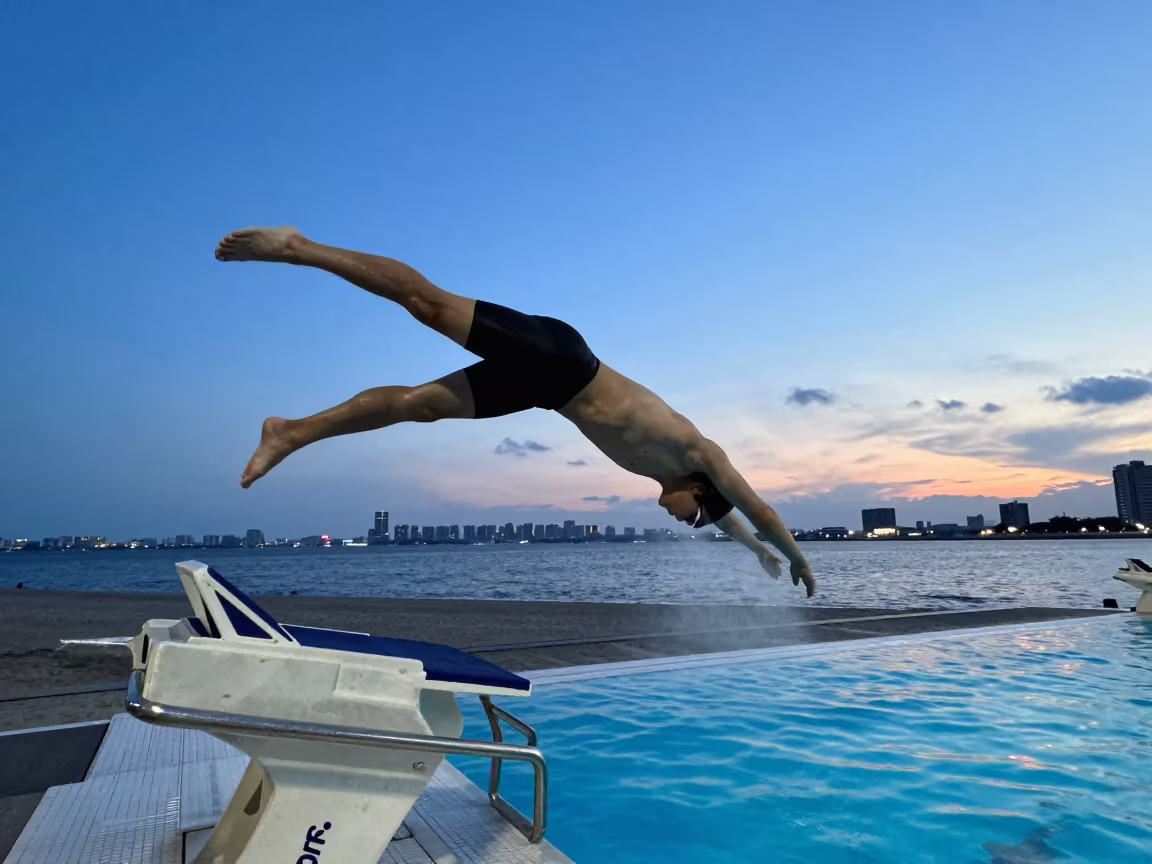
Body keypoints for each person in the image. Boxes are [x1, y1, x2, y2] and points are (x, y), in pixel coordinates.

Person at [215, 227, 816, 595]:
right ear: (702, 489)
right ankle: (297, 247)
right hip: (560, 359)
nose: (685, 521)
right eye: (694, 517)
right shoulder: (698, 453)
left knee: (416, 406)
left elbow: (735, 520)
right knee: (427, 305)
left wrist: (759, 555)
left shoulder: (672, 478)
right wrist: (796, 558)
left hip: (545, 392)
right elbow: (756, 508)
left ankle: (291, 432)